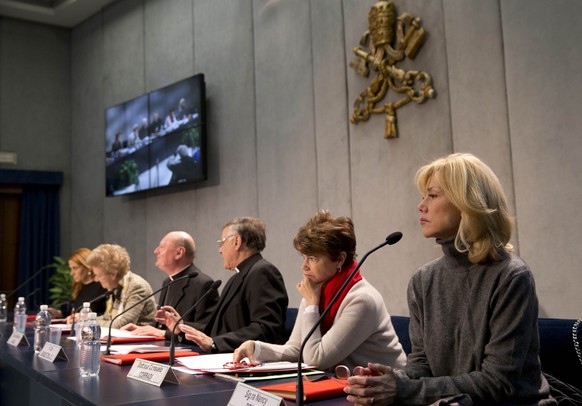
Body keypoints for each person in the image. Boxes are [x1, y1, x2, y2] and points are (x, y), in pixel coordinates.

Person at [344, 153, 554, 405]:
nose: (421, 205)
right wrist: (390, 380)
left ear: (467, 203)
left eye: (432, 195)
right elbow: (421, 365)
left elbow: (498, 382)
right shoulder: (423, 280)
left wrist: (403, 389)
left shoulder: (511, 276)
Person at [233, 210, 406, 371]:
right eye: (304, 257)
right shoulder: (316, 290)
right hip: (347, 386)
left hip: (386, 391)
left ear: (339, 259)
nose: (304, 266)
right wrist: (257, 348)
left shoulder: (362, 300)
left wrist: (311, 307)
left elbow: (316, 359)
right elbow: (297, 350)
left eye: (313, 258)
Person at [156, 217, 289, 353]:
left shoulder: (262, 272)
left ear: (237, 242)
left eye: (222, 242)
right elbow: (216, 329)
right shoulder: (238, 276)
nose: (220, 250)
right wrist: (181, 327)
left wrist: (216, 343)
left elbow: (267, 328)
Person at [120, 231, 219, 339]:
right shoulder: (168, 281)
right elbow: (163, 325)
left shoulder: (203, 284)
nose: (156, 251)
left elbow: (207, 329)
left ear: (179, 253)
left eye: (161, 247)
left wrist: (164, 334)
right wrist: (142, 329)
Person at [87, 243, 156, 329]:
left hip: (139, 340)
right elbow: (108, 318)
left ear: (113, 274)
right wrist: (86, 318)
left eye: (99, 275)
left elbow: (122, 324)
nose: (96, 279)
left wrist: (89, 322)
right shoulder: (116, 287)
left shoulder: (137, 287)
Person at [49, 248, 108, 319]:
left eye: (75, 268)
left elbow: (108, 315)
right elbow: (76, 312)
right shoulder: (79, 286)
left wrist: (85, 317)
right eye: (71, 269)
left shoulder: (103, 285)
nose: (71, 273)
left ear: (88, 267)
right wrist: (59, 313)